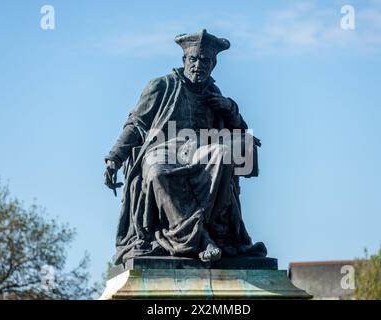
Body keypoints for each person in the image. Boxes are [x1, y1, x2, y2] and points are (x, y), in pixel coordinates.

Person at [104, 29, 266, 264]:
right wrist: (114, 158)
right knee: (157, 171)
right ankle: (199, 240)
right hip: (163, 150)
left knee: (223, 153)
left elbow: (239, 132)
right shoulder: (161, 85)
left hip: (202, 150)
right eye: (194, 59)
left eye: (205, 60)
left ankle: (213, 233)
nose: (199, 65)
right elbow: (136, 125)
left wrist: (229, 107)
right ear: (184, 60)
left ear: (213, 64)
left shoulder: (214, 93)